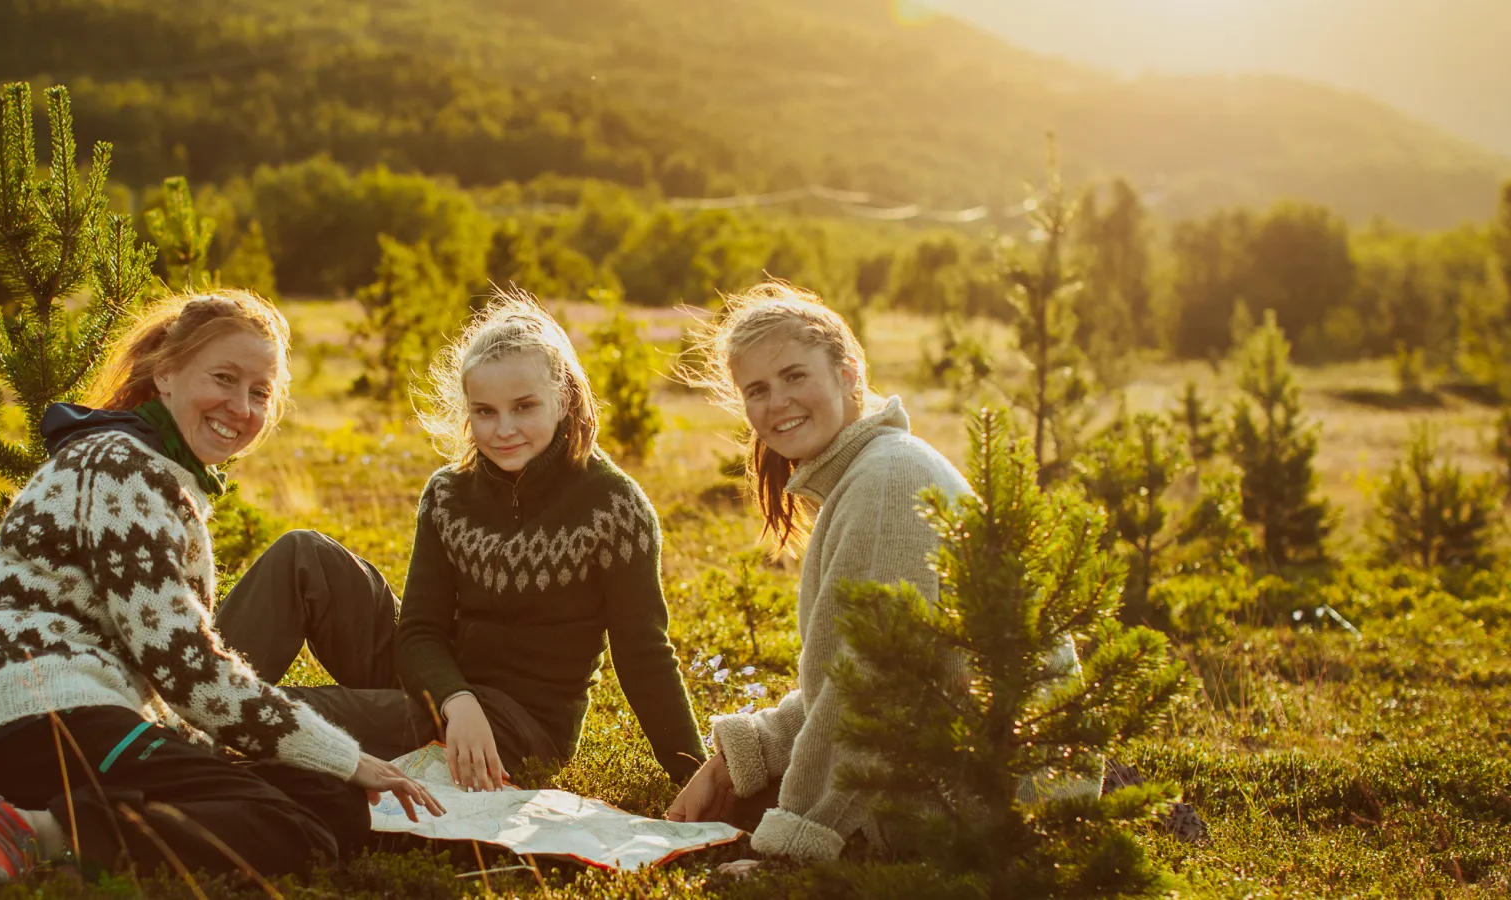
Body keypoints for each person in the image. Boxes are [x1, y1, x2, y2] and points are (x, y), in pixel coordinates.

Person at [0, 290, 442, 888]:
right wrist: (348, 757)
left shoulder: (156, 470)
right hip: (31, 718)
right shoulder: (121, 466)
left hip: (67, 719)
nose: (241, 407)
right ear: (165, 374)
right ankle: (37, 834)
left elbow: (160, 676)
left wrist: (304, 767)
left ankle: (65, 841)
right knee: (285, 826)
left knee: (331, 806)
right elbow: (187, 668)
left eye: (260, 392)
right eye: (223, 377)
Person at [664, 281, 1094, 861]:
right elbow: (845, 679)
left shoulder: (887, 483)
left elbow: (873, 692)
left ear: (848, 374)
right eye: (757, 389)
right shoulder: (872, 469)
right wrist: (736, 760)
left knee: (765, 823)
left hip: (998, 807)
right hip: (974, 771)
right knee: (748, 799)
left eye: (795, 376)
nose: (777, 402)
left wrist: (792, 855)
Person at [218, 291, 705, 792]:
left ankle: (190, 737)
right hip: (442, 691)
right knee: (304, 555)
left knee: (289, 712)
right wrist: (455, 698)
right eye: (485, 411)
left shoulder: (613, 507)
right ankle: (178, 702)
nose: (504, 429)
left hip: (519, 727)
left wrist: (696, 772)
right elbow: (420, 631)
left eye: (524, 406)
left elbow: (644, 654)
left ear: (564, 398)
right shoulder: (449, 493)